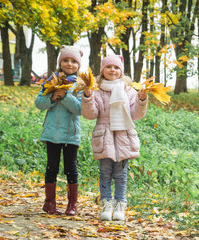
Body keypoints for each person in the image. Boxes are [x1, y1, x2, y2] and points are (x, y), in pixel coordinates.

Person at [81, 54, 148, 221]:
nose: (113, 70)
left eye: (116, 67)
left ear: (121, 71)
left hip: (124, 135)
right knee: (104, 172)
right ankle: (106, 204)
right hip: (104, 135)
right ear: (103, 70)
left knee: (121, 174)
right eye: (109, 67)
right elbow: (91, 114)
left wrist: (141, 99)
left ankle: (120, 205)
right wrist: (88, 97)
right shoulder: (96, 89)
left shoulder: (129, 90)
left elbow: (136, 114)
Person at [35, 45, 83, 216]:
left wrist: (66, 95)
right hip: (52, 133)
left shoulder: (79, 84)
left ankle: (72, 204)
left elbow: (79, 110)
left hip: (71, 134)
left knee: (71, 168)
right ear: (60, 62)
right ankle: (50, 203)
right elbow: (39, 104)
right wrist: (53, 97)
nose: (69, 64)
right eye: (65, 60)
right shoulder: (51, 81)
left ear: (78, 64)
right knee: (52, 167)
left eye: (73, 61)